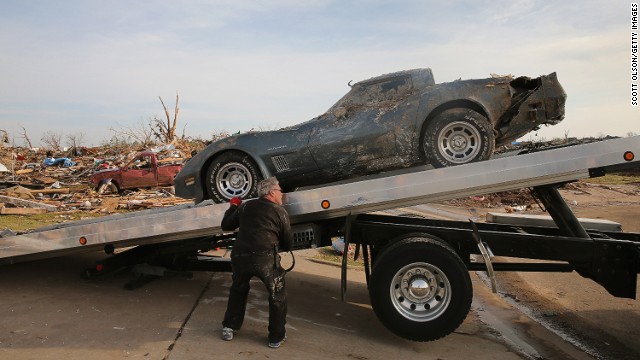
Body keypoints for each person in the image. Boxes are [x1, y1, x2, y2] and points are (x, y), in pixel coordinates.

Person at [220, 177, 293, 349]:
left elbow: (226, 225)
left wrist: (233, 205)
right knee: (277, 295)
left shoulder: (245, 206)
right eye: (280, 190)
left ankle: (229, 328)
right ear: (271, 192)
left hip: (240, 257)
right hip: (265, 259)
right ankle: (276, 337)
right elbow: (288, 241)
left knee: (238, 289)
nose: (282, 194)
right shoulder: (279, 211)